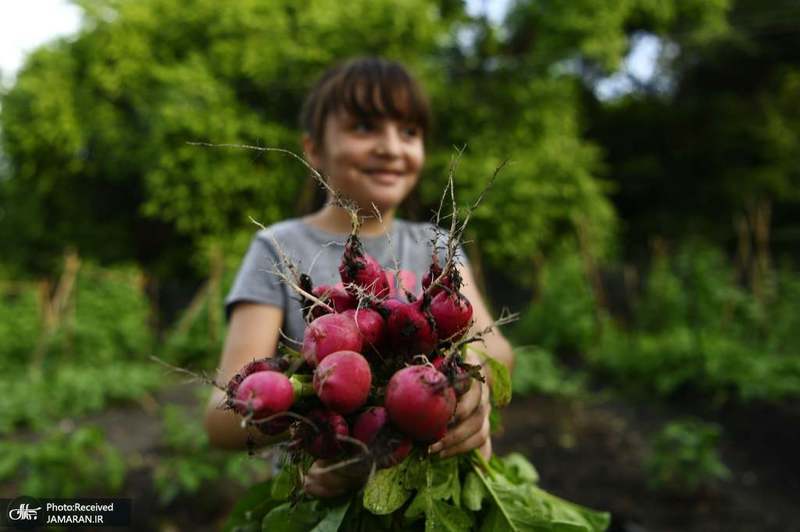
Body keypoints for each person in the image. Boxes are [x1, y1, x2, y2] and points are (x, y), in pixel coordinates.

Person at [204, 56, 514, 498]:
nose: (391, 147)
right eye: (365, 127)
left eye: (409, 132)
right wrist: (308, 416)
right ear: (313, 149)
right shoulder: (277, 248)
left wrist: (470, 384)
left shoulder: (437, 244)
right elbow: (220, 417)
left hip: (440, 484)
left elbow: (497, 346)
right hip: (319, 493)